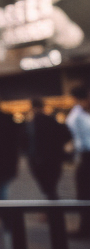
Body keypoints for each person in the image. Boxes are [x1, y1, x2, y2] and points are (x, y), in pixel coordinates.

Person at [27, 97, 69, 200]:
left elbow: (27, 143)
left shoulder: (31, 123)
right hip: (54, 159)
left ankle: (52, 211)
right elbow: (66, 135)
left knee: (47, 188)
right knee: (51, 187)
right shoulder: (52, 120)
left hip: (38, 160)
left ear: (32, 108)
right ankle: (52, 210)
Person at [65, 84, 90, 235]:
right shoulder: (76, 116)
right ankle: (85, 227)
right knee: (84, 194)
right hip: (86, 157)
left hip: (85, 157)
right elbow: (77, 140)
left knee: (84, 193)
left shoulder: (78, 115)